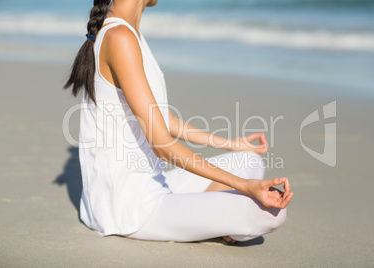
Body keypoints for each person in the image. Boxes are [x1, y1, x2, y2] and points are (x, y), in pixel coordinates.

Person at [64, 0, 293, 244]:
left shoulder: (129, 32)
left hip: (154, 184)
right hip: (130, 207)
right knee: (270, 214)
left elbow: (163, 119)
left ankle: (209, 219)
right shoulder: (119, 37)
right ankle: (213, 221)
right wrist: (244, 185)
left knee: (249, 160)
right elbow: (161, 146)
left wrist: (230, 143)